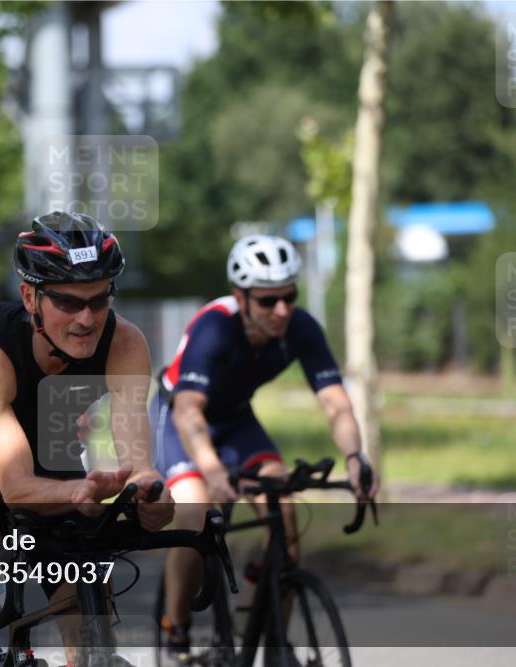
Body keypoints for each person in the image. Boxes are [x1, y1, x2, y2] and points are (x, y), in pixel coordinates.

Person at [0, 211, 175, 667]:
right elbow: (14, 485)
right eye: (68, 302)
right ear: (30, 296)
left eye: (98, 299)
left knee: (84, 559)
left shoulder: (125, 341)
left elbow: (138, 456)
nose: (87, 318)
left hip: (49, 446)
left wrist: (150, 495)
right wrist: (77, 491)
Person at [152, 234, 380, 666]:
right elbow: (188, 413)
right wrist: (212, 470)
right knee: (195, 511)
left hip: (235, 418)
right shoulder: (215, 326)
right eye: (267, 300)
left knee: (284, 504)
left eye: (289, 296)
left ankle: (271, 628)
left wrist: (356, 456)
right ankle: (175, 628)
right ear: (241, 297)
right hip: (179, 416)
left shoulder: (301, 327)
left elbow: (335, 402)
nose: (281, 310)